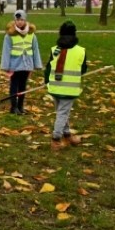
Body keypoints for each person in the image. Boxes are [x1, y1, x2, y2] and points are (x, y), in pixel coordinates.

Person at [44, 20, 86, 151]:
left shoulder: (55, 50)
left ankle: (67, 134)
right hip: (69, 89)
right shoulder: (80, 51)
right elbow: (83, 69)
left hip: (54, 87)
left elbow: (48, 67)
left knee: (62, 112)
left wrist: (47, 82)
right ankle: (56, 139)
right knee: (63, 113)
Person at [0, 9, 43, 115]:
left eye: (22, 20)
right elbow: (6, 51)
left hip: (27, 64)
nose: (20, 22)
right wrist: (5, 66)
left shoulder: (31, 34)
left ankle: (20, 106)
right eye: (17, 20)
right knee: (14, 85)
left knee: (23, 86)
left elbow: (35, 49)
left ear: (25, 20)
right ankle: (13, 107)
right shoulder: (9, 35)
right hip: (14, 65)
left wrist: (37, 64)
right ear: (15, 21)